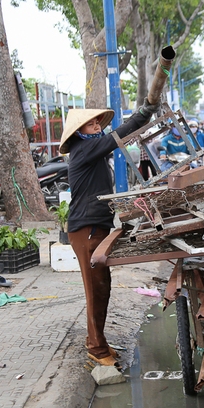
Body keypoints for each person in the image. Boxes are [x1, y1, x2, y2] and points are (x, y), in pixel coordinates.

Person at [60, 101, 159, 369]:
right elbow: (119, 135)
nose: (97, 127)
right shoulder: (85, 149)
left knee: (102, 287)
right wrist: (144, 113)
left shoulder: (91, 150)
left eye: (97, 123)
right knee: (96, 289)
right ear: (80, 131)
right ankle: (95, 347)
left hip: (97, 225)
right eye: (92, 124)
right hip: (87, 228)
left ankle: (98, 340)